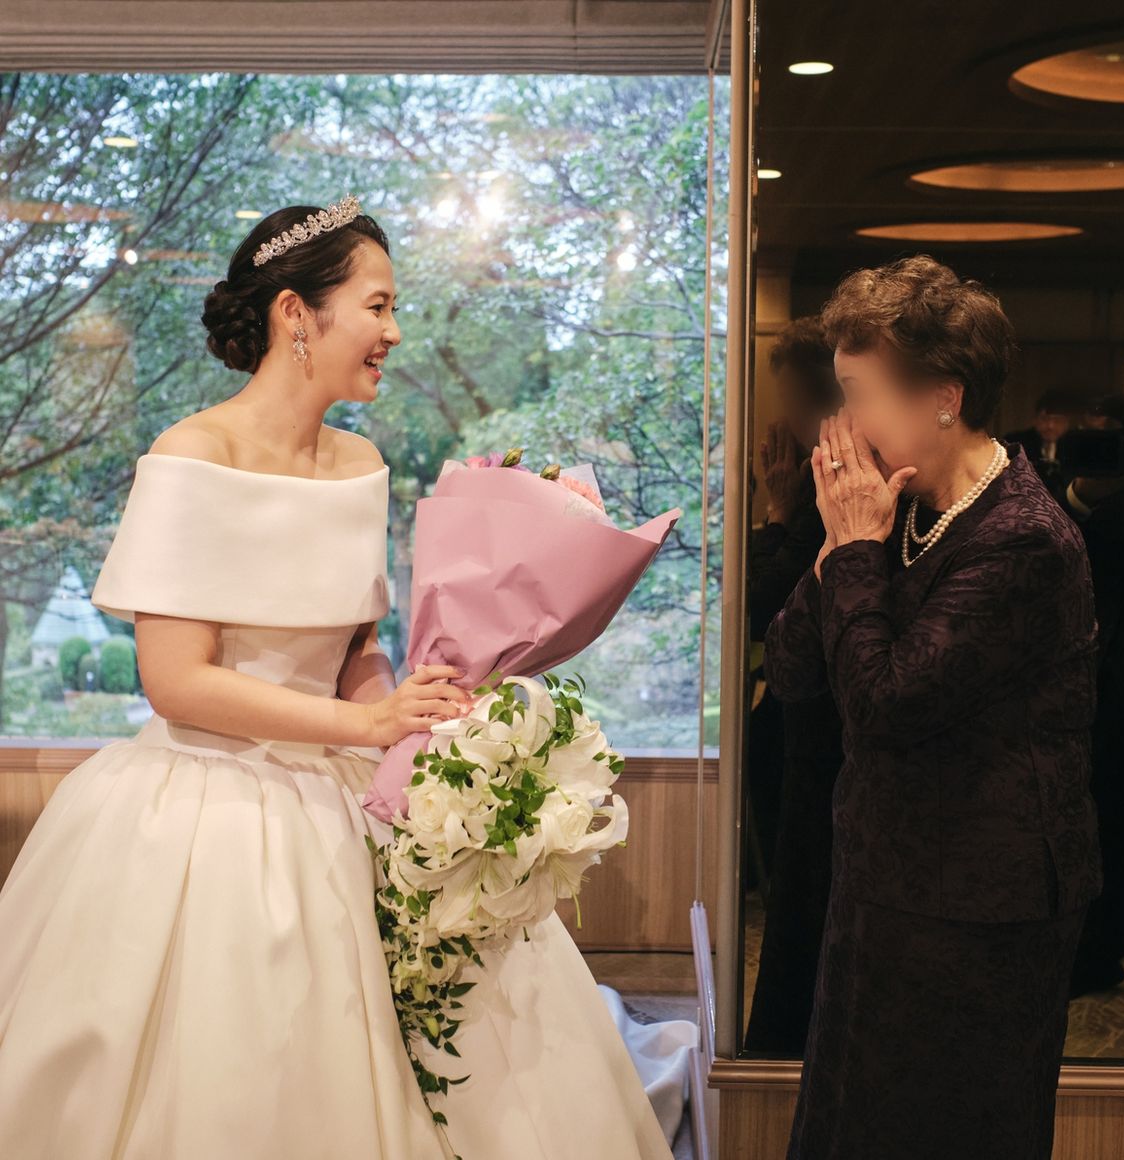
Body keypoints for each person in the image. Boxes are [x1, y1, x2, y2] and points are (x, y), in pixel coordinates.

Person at [0, 197, 674, 1160]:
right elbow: (176, 681)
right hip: (207, 798)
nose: (394, 333)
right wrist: (366, 728)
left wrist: (421, 724)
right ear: (296, 314)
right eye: (378, 306)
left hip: (344, 787)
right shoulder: (192, 455)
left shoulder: (360, 461)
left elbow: (357, 652)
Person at [766, 255, 1102, 1160]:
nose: (840, 429)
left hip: (981, 909)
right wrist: (840, 547)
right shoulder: (895, 507)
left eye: (858, 396)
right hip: (882, 881)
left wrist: (856, 550)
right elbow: (793, 669)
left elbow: (884, 706)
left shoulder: (1024, 540)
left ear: (944, 398)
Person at [744, 317, 844, 1055]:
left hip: (831, 728)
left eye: (797, 404)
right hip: (801, 717)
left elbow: (762, 604)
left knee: (811, 894)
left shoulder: (841, 497)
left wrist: (778, 515)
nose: (785, 424)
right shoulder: (816, 486)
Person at [1064, 326, 1124, 1060]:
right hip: (1119, 678)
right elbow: (1086, 546)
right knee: (1102, 821)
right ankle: (1097, 955)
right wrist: (1086, 494)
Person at [1004, 387, 1079, 503]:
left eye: (1057, 420)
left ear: (1067, 422)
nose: (1050, 426)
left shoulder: (1076, 446)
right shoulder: (1016, 443)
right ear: (1035, 419)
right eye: (1044, 419)